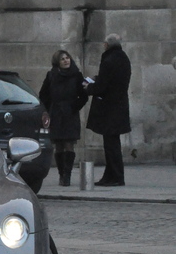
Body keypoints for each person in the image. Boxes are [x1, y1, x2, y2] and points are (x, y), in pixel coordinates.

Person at [83, 33, 131, 186]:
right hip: (119, 106)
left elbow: (102, 87)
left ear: (106, 45)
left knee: (111, 145)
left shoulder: (109, 60)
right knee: (112, 143)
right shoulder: (123, 58)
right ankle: (110, 175)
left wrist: (88, 87)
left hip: (110, 108)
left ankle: (116, 176)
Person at [39, 50, 88, 186]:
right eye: (63, 59)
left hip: (70, 113)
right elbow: (44, 95)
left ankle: (68, 174)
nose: (66, 61)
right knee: (59, 145)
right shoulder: (51, 75)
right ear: (57, 62)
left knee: (69, 144)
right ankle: (61, 174)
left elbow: (83, 96)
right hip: (56, 113)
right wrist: (49, 110)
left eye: (67, 58)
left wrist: (73, 107)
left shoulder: (76, 75)